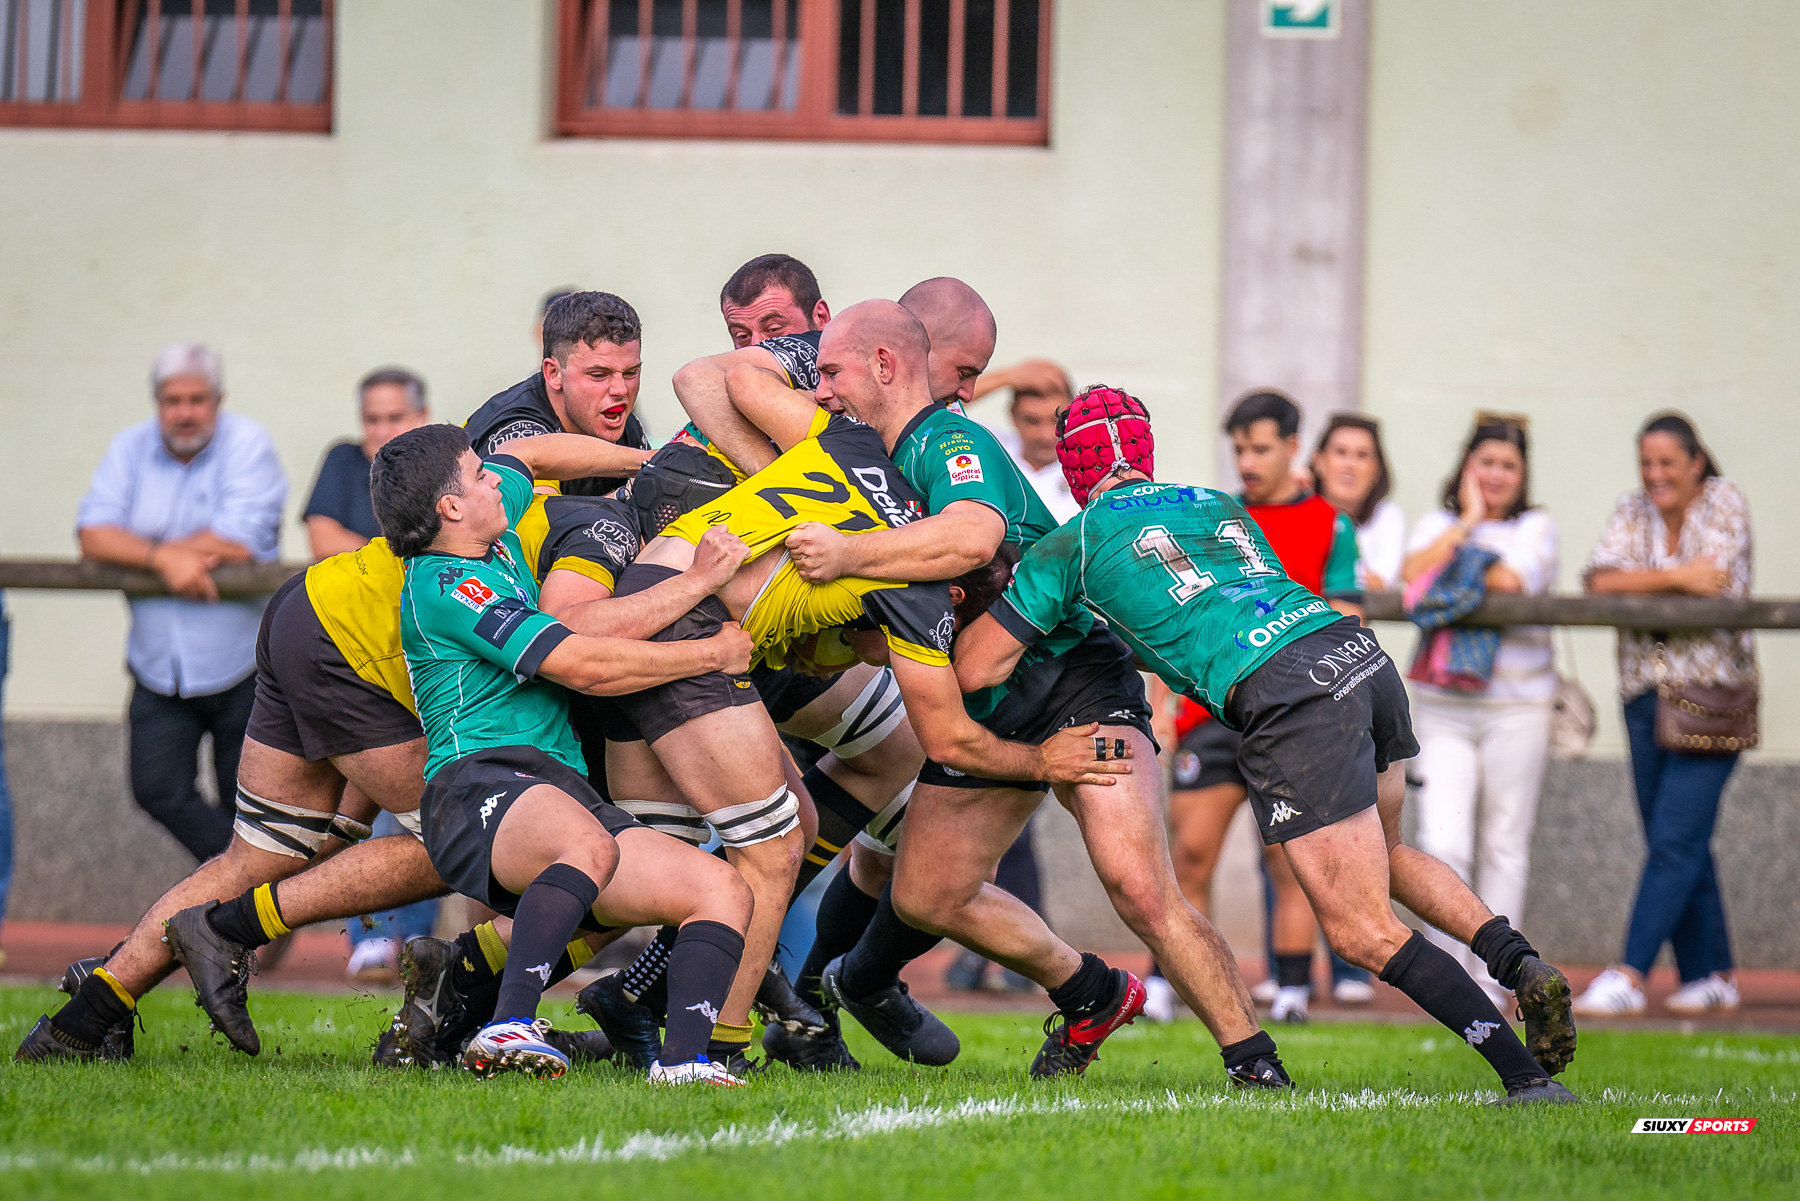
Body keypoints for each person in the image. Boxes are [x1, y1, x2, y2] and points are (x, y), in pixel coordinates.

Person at [956, 386, 1580, 1105]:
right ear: (1146, 450)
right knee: (1392, 854)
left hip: (1284, 693)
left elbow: (978, 667)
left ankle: (1524, 1075)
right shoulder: (1217, 502)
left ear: (1072, 471)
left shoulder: (1078, 539)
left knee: (1358, 928)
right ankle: (1520, 961)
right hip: (1355, 656)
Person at [723, 283, 1282, 1087]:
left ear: (886, 364)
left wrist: (846, 559)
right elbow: (717, 381)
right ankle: (1093, 991)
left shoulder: (952, 436)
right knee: (925, 893)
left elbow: (972, 534)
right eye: (968, 368)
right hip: (987, 703)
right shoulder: (857, 457)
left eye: (834, 372)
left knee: (1138, 886)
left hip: (1076, 683)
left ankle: (1255, 1062)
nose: (822, 389)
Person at [592, 301, 1119, 1080]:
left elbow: (716, 379)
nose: (822, 389)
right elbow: (949, 733)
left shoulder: (846, 447)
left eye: (830, 372)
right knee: (753, 848)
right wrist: (1048, 760)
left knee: (775, 826)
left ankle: (682, 1011)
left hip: (674, 601)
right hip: (686, 623)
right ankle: (702, 1048)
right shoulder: (915, 574)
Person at [15, 434, 655, 1065]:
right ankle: (234, 932)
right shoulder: (553, 512)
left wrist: (639, 459)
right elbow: (576, 637)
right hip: (343, 643)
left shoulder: (501, 484)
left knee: (264, 852)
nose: (617, 393)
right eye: (601, 375)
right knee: (466, 837)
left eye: (628, 378)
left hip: (311, 608)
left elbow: (531, 454)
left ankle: (86, 1015)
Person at [380, 424, 759, 1083]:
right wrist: (705, 619)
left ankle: (685, 1064)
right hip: (475, 788)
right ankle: (507, 1025)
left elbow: (528, 454)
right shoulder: (449, 583)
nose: (494, 479)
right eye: (477, 475)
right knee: (586, 844)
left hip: (557, 791)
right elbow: (578, 662)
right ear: (449, 507)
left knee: (719, 886)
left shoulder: (489, 530)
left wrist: (650, 462)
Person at [1155, 390, 1365, 1025]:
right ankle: (1169, 983)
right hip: (1213, 712)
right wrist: (1162, 703)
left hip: (1289, 717)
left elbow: (1348, 621)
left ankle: (1294, 990)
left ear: (1294, 447)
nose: (1247, 460)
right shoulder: (1211, 517)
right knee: (1187, 851)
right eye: (1239, 448)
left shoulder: (1332, 524)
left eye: (1261, 447)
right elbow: (1181, 618)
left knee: (1287, 856)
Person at [75, 343, 286, 862]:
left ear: (218, 399)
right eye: (172, 400)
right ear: (157, 401)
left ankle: (241, 903)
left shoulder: (248, 444)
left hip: (241, 665)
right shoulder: (129, 447)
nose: (184, 412)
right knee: (156, 789)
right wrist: (163, 557)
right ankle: (246, 879)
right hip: (157, 665)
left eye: (196, 399)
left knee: (249, 802)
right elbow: (92, 535)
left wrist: (143, 551)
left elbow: (238, 541)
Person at [1573, 413, 1754, 1018]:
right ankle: (1712, 974)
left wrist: (1638, 584)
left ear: (1696, 461)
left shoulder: (1725, 500)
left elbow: (1720, 581)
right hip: (1643, 696)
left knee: (1675, 837)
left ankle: (1629, 974)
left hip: (1715, 699)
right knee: (1676, 838)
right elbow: (1598, 582)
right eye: (1646, 463)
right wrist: (1680, 577)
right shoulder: (1631, 508)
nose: (1654, 475)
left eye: (1666, 463)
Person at [1401, 415, 1559, 1009]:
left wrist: (1455, 566)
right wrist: (1466, 527)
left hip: (1519, 707)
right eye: (1486, 462)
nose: (1496, 475)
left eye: (1508, 466)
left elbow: (1514, 581)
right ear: (1467, 466)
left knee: (1503, 844)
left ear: (1524, 475)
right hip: (1443, 707)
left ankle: (1503, 985)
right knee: (1445, 842)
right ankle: (1454, 990)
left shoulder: (1536, 527)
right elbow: (1411, 576)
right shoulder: (1440, 523)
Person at [464, 291, 654, 495]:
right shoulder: (517, 430)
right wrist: (627, 495)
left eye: (631, 372)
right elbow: (546, 522)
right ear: (553, 373)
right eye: (599, 375)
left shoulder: (628, 428)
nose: (621, 389)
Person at [303, 368, 432, 560]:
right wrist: (399, 560)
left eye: (395, 418)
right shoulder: (343, 459)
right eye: (371, 419)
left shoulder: (442, 465)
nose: (382, 432)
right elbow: (323, 542)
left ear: (422, 415)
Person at [977, 359, 1079, 523]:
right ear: (1013, 415)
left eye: (1056, 420)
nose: (1046, 435)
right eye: (1032, 421)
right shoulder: (991, 448)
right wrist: (1008, 377)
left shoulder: (1093, 464)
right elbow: (937, 408)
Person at [1312, 413, 1405, 592]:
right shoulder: (1296, 506)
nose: (1350, 464)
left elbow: (1380, 585)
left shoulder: (1388, 515)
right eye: (1340, 452)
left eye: (1362, 455)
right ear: (1319, 461)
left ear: (1377, 469)